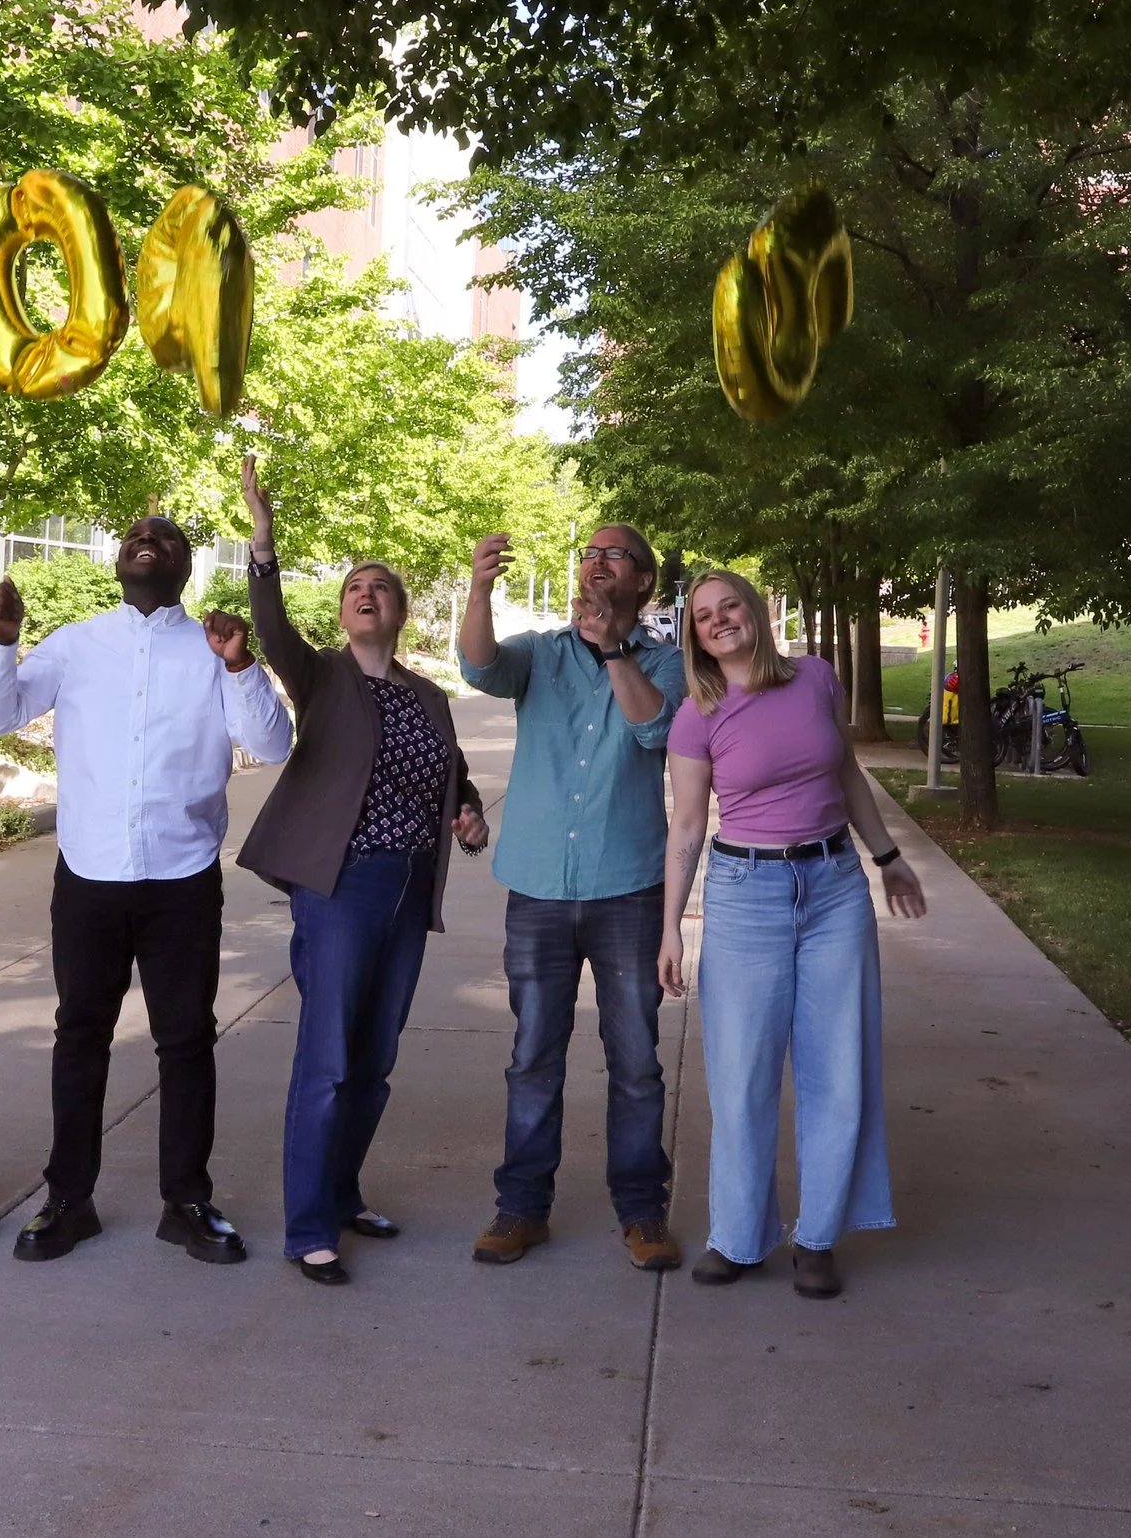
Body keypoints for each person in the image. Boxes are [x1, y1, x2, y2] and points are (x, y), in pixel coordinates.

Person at [0, 511, 293, 1265]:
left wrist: (242, 667)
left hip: (182, 879)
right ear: (118, 559)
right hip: (90, 878)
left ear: (185, 566)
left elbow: (273, 744)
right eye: (134, 534)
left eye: (168, 538)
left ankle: (186, 1200)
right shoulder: (79, 643)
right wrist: (5, 642)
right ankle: (68, 1199)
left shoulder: (215, 647)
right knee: (80, 1037)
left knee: (185, 1042)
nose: (147, 540)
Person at [234, 456, 490, 1286]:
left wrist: (470, 807)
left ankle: (342, 1195)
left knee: (374, 1058)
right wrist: (264, 543)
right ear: (344, 613)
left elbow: (448, 769)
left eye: (381, 587)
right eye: (354, 588)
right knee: (329, 1058)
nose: (366, 593)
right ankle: (308, 1224)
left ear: (402, 613)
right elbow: (270, 632)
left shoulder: (427, 696)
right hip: (341, 885)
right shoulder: (322, 677)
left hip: (411, 888)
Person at [656, 569, 928, 1298]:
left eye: (730, 605)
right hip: (747, 894)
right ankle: (739, 1237)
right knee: (742, 1074)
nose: (719, 620)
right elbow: (685, 826)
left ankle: (817, 1238)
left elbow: (846, 774)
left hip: (835, 886)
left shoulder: (816, 678)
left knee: (837, 1066)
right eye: (704, 616)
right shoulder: (698, 713)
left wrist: (889, 858)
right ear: (696, 636)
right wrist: (673, 927)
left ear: (757, 610)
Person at [458, 524, 689, 1272]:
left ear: (644, 583)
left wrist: (615, 650)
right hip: (538, 890)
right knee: (533, 1055)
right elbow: (480, 666)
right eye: (589, 552)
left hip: (628, 888)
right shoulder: (541, 651)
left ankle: (642, 1211)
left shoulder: (670, 665)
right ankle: (521, 1207)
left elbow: (653, 727)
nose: (594, 562)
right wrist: (481, 587)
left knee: (635, 1059)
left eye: (613, 555)